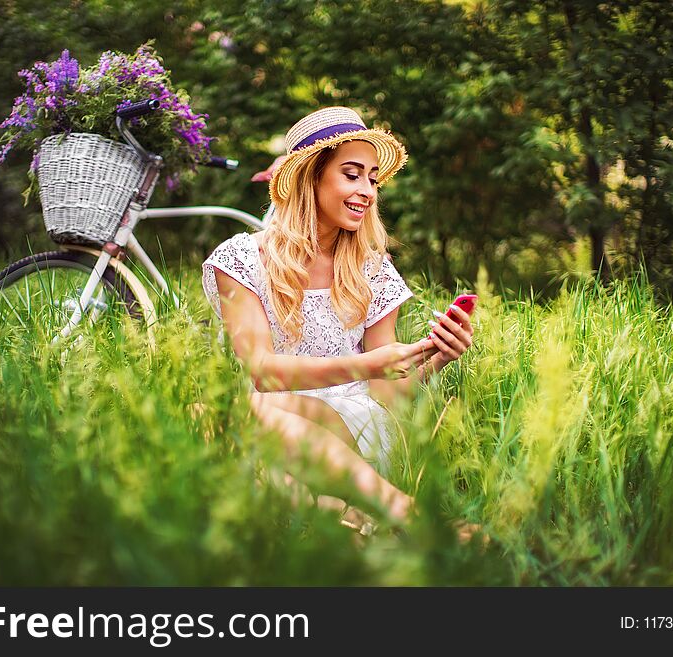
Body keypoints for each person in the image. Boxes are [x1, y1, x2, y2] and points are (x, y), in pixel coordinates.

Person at [202, 107, 474, 528]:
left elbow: (386, 396)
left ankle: (410, 517)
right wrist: (367, 364)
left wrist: (434, 357)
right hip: (270, 419)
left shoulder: (372, 269)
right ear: (311, 177)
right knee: (210, 417)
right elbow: (263, 372)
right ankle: (356, 522)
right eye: (352, 174)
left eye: (372, 178)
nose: (367, 189)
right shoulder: (239, 259)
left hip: (349, 424)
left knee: (241, 415)